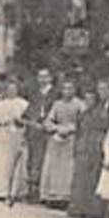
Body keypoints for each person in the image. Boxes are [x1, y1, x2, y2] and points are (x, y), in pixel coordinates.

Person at [39, 77, 85, 207]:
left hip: (71, 138)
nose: (67, 91)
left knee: (68, 167)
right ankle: (53, 195)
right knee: (54, 166)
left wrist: (70, 129)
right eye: (65, 88)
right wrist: (55, 128)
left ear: (75, 90)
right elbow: (48, 120)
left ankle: (66, 196)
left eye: (70, 88)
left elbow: (83, 122)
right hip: (57, 137)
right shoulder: (57, 104)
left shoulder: (79, 104)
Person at [0, 74, 28, 201]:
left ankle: (15, 191)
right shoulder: (0, 104)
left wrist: (23, 131)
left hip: (16, 134)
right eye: (9, 89)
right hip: (2, 134)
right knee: (0, 162)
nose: (11, 91)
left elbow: (27, 121)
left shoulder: (23, 104)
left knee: (17, 164)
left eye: (14, 89)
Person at [68, 80, 107, 218]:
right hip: (82, 147)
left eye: (91, 98)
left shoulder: (101, 113)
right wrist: (76, 147)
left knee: (93, 179)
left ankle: (93, 210)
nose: (88, 101)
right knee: (80, 178)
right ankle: (77, 207)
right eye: (86, 98)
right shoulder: (83, 114)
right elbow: (79, 131)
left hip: (95, 147)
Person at [22, 68, 56, 201]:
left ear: (50, 78)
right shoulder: (34, 94)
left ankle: (46, 192)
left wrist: (47, 124)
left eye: (45, 77)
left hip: (49, 131)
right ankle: (32, 190)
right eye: (40, 77)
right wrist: (31, 122)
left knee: (46, 160)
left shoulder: (55, 94)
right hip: (34, 130)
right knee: (33, 160)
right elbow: (28, 113)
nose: (42, 79)